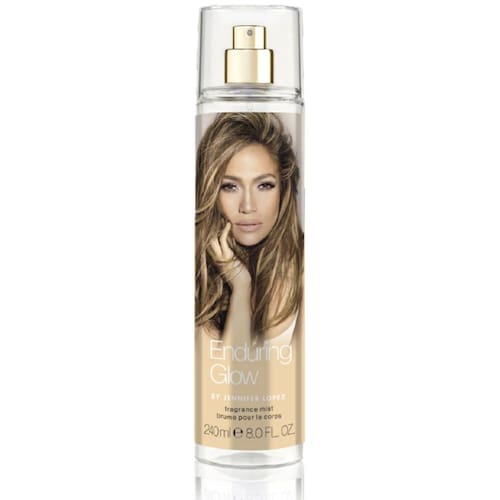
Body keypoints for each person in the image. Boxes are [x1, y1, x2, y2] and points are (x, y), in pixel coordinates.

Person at [195, 113, 304, 346]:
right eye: (230, 186)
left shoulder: (306, 266)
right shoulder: (198, 271)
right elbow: (223, 369)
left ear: (283, 189)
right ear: (211, 192)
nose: (247, 206)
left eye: (264, 185)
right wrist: (241, 286)